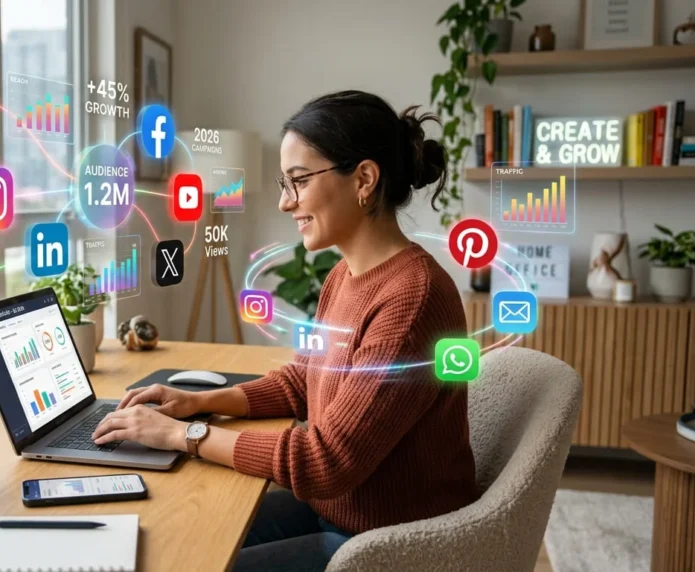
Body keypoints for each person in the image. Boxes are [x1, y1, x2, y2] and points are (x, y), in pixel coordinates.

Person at [93, 90, 478, 572]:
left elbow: (325, 462)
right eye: (284, 182)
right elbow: (302, 382)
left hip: (389, 546)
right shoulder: (346, 275)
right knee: (177, 536)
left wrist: (180, 435)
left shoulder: (412, 299)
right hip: (338, 514)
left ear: (363, 179)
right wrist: (198, 402)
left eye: (298, 181)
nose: (283, 202)